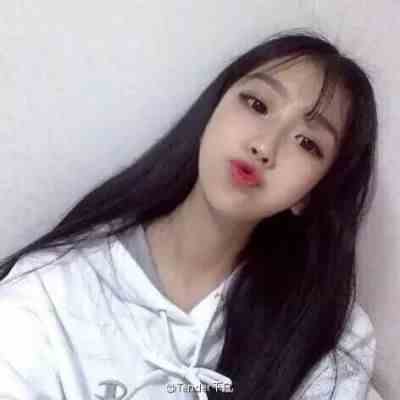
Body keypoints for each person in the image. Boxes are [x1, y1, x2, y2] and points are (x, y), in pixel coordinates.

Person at [0, 28, 378, 399]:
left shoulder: (327, 340)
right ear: (212, 111)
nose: (265, 146)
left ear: (312, 193)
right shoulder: (52, 290)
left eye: (308, 143)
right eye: (258, 105)